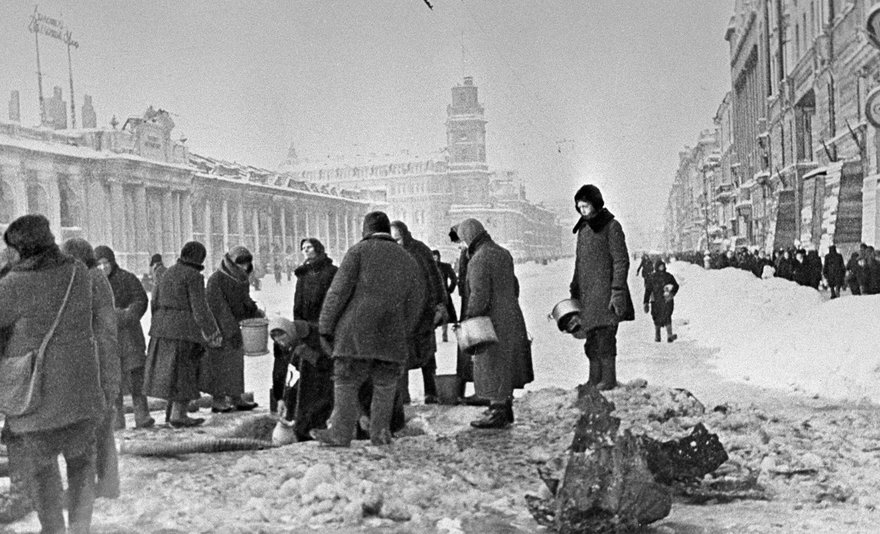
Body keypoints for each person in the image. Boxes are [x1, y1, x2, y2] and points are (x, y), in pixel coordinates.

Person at [0, 215, 109, 533]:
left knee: (43, 474)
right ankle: (79, 529)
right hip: (81, 393)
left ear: (20, 249)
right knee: (80, 468)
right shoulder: (78, 273)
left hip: (36, 398)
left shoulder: (12, 286)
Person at [315, 211, 424, 447]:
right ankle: (380, 433)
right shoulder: (407, 259)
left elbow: (338, 292)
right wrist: (403, 329)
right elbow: (416, 301)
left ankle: (340, 434)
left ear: (366, 229)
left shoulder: (358, 252)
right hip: (392, 335)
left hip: (354, 333)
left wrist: (325, 326)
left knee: (346, 380)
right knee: (385, 385)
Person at [456, 218, 534, 429]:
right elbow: (514, 285)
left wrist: (469, 318)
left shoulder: (478, 259)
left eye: (463, 240)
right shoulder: (503, 253)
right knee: (505, 362)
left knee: (491, 363)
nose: (462, 245)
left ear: (470, 237)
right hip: (511, 315)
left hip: (491, 320)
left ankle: (497, 411)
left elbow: (479, 295)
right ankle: (505, 407)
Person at [62, 238, 122, 500]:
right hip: (100, 362)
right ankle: (107, 484)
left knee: (93, 429)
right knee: (100, 427)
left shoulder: (89, 281)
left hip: (97, 364)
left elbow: (101, 330)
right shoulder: (95, 278)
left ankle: (94, 487)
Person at [144, 241, 222, 428]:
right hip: (183, 332)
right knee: (183, 373)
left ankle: (171, 414)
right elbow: (200, 309)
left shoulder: (166, 272)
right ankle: (179, 416)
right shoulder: (194, 276)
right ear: (199, 258)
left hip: (161, 329)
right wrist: (213, 333)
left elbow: (153, 301)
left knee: (170, 374)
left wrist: (158, 325)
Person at [569, 184, 635, 390]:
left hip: (607, 295)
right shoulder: (583, 229)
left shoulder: (611, 226)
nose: (582, 211)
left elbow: (621, 261)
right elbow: (579, 262)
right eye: (579, 207)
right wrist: (574, 287)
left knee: (606, 339)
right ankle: (593, 378)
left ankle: (608, 378)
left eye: (585, 206)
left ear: (596, 204)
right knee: (591, 340)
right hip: (588, 297)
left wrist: (617, 291)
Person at [94, 245, 154, 429]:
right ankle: (116, 420)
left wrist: (128, 314)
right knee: (113, 382)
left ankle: (142, 416)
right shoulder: (94, 283)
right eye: (99, 264)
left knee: (137, 377)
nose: (104, 267)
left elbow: (140, 299)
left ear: (112, 262)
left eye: (106, 263)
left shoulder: (127, 278)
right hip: (107, 340)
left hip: (130, 337)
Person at [285, 237, 337, 440]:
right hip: (305, 331)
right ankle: (305, 423)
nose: (306, 251)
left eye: (309, 247)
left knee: (323, 376)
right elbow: (297, 303)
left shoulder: (330, 272)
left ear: (318, 249)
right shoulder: (302, 274)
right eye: (303, 248)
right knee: (306, 379)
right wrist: (297, 326)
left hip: (323, 330)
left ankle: (322, 420)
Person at [390, 221, 447, 405]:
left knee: (427, 354)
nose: (395, 242)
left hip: (423, 311)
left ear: (405, 235)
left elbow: (434, 277)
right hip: (402, 313)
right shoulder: (391, 254)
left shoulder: (420, 250)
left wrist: (439, 303)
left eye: (398, 239)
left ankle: (431, 392)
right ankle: (403, 396)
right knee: (403, 355)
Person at [200, 246, 261, 413]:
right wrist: (230, 330)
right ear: (231, 262)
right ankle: (218, 400)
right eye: (240, 263)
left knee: (235, 365)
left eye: (247, 263)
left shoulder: (241, 279)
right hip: (219, 331)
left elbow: (244, 300)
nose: (245, 266)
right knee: (218, 366)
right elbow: (218, 308)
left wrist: (254, 311)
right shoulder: (217, 279)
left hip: (235, 328)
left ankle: (236, 397)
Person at [643, 259, 679, 343]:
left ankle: (669, 335)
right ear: (656, 267)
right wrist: (645, 302)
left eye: (662, 266)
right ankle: (657, 335)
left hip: (667, 301)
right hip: (656, 301)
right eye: (660, 266)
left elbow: (676, 286)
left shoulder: (669, 276)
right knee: (656, 317)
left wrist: (672, 294)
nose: (661, 268)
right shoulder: (652, 277)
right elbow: (648, 290)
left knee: (667, 316)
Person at [432, 249, 458, 343]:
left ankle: (444, 335)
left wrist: (450, 290)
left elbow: (454, 279)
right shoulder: (430, 267)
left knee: (444, 315)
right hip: (436, 295)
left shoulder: (444, 266)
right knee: (440, 314)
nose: (435, 258)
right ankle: (437, 334)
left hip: (442, 295)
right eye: (433, 256)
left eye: (436, 256)